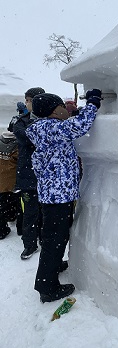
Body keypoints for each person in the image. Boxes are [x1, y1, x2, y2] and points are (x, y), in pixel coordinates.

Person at [26, 89, 102, 303]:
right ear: (53, 111)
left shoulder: (44, 128)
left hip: (54, 194)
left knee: (54, 236)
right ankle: (47, 287)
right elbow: (80, 126)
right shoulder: (52, 129)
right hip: (57, 196)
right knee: (54, 239)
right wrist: (93, 103)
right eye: (62, 107)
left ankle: (55, 264)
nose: (65, 110)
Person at [12, 87, 45, 259]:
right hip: (28, 175)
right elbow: (25, 137)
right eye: (26, 100)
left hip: (47, 176)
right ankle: (30, 245)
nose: (27, 103)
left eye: (29, 100)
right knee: (30, 213)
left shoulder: (50, 119)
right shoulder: (21, 121)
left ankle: (45, 241)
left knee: (48, 213)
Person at [0, 131, 18, 239]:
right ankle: (11, 217)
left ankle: (3, 226)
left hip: (1, 178)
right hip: (11, 180)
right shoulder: (17, 146)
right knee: (10, 200)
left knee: (2, 203)